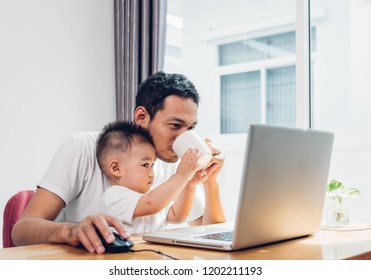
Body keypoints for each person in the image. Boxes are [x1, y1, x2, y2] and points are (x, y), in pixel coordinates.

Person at [12, 71, 225, 254]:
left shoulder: (176, 162)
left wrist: (210, 182)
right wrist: (70, 231)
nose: (183, 137)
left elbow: (214, 236)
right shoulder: (84, 148)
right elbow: (21, 230)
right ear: (142, 116)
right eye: (175, 125)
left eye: (190, 129)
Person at [97, 121, 207, 234]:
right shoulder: (113, 196)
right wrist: (181, 175)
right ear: (116, 168)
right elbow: (151, 204)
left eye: (152, 165)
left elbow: (177, 216)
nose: (151, 173)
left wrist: (189, 184)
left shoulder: (153, 196)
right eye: (145, 165)